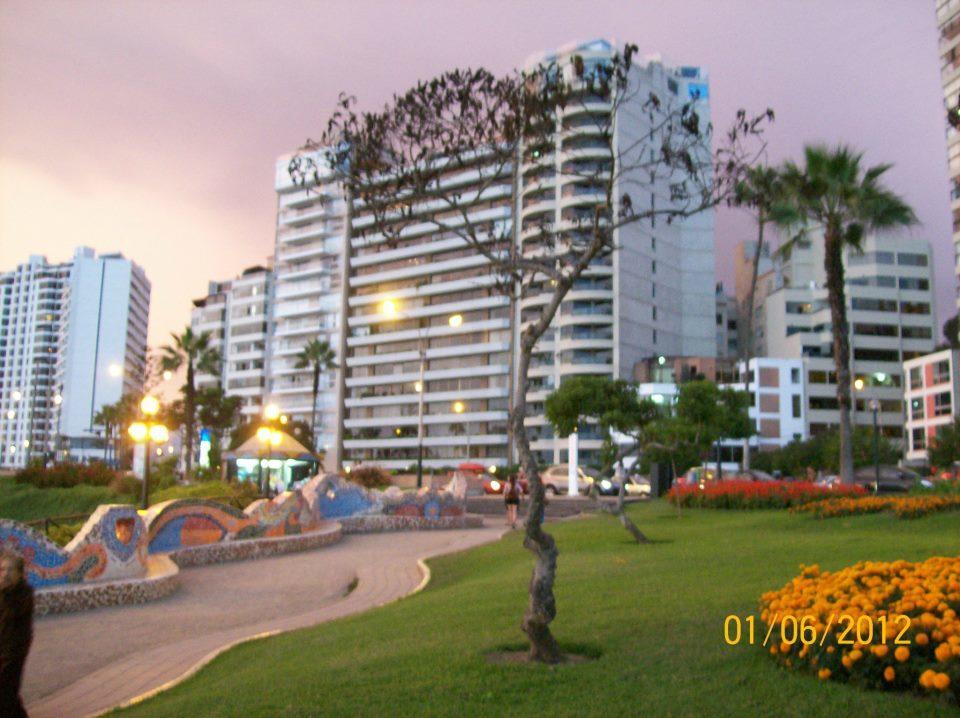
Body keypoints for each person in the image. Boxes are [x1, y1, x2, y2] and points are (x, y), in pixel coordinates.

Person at [0, 550, 33, 718]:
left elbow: (13, 615)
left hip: (13, 653)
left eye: (9, 570)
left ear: (19, 574)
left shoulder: (23, 594)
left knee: (6, 694)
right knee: (9, 696)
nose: (5, 574)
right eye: (2, 570)